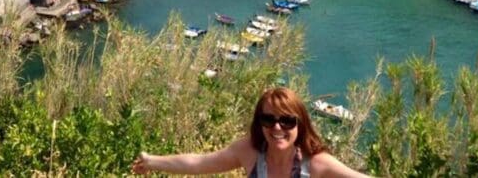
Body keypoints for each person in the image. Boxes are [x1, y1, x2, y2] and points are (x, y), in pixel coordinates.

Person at [131, 87, 369, 177]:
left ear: (300, 124)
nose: (277, 128)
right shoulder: (250, 152)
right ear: (259, 122)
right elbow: (198, 163)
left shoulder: (316, 165)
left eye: (287, 121)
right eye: (268, 119)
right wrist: (152, 161)